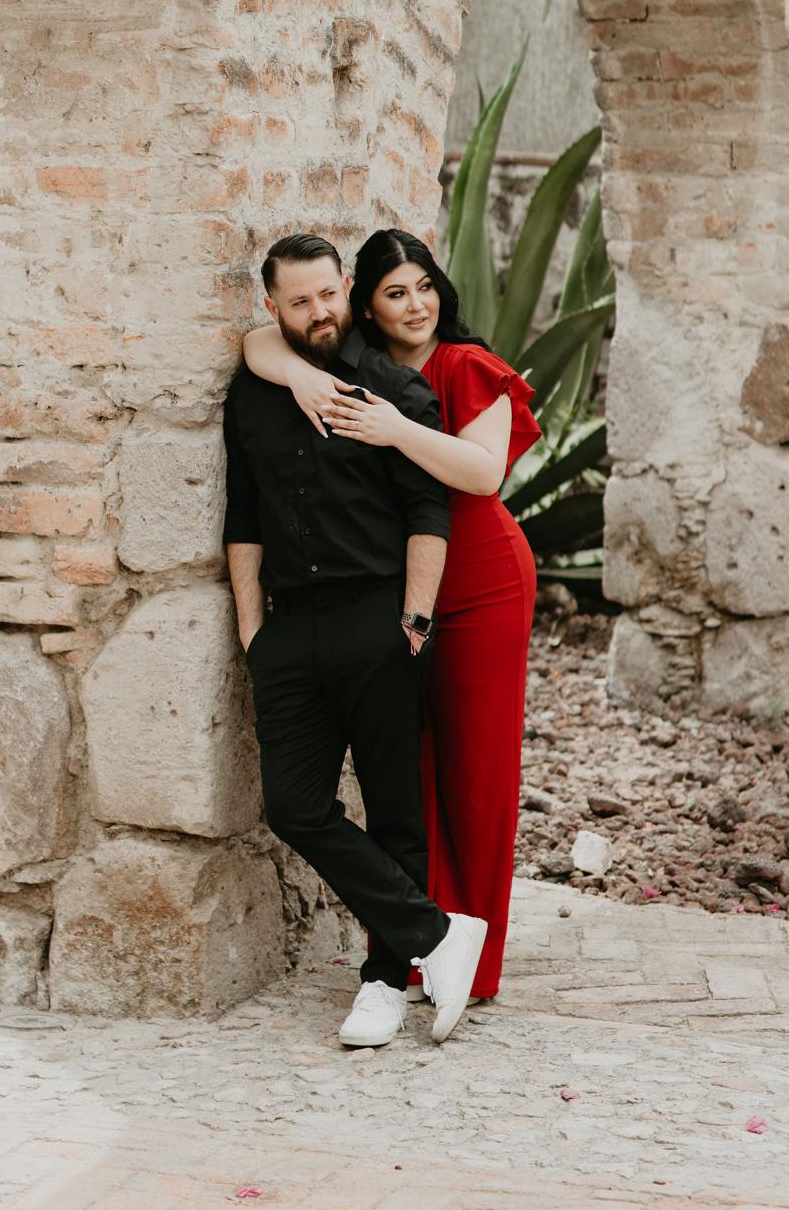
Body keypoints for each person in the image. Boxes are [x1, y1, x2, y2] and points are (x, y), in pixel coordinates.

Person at [243, 228, 541, 1004]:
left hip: (478, 579)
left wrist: (396, 429)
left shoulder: (462, 366)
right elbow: (256, 342)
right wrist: (298, 374)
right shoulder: (349, 364)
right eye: (396, 293)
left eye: (425, 286)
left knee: (473, 771)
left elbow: (482, 474)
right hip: (398, 586)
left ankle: (472, 959)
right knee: (414, 773)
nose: (417, 305)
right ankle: (425, 939)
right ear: (366, 306)